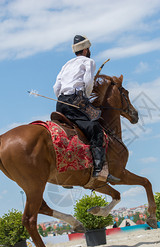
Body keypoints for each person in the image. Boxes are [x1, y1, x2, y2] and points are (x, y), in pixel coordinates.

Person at [53, 35, 120, 183]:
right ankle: (98, 170)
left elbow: (56, 87)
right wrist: (86, 96)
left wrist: (63, 98)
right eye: (88, 48)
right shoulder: (89, 61)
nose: (89, 51)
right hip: (76, 101)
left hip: (60, 102)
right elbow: (88, 82)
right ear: (85, 50)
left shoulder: (66, 64)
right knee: (95, 127)